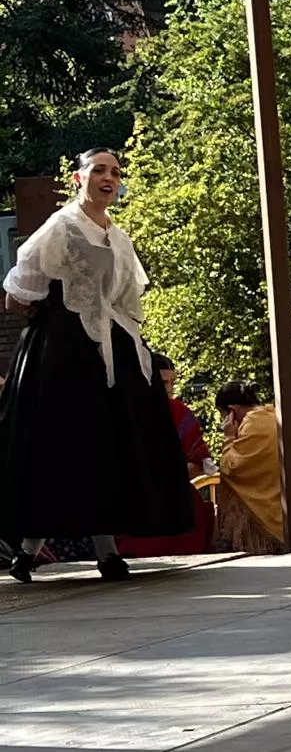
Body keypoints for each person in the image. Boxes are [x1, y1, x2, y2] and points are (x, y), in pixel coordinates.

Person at [0, 149, 192, 583]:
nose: (109, 178)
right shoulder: (62, 226)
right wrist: (38, 309)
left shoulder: (118, 235)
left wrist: (133, 345)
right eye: (99, 170)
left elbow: (127, 297)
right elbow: (22, 284)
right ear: (78, 177)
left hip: (113, 348)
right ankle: (28, 549)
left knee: (110, 444)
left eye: (115, 172)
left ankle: (106, 549)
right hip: (65, 351)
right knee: (61, 444)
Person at [116, 353, 217, 557]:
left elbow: (198, 462)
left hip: (176, 499)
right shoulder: (120, 411)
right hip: (133, 501)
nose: (169, 389)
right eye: (163, 382)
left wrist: (164, 475)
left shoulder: (179, 412)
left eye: (173, 382)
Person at [213, 383, 286, 555]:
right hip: (278, 511)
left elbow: (231, 467)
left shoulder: (253, 423)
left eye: (223, 415)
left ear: (232, 411)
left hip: (256, 516)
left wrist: (229, 437)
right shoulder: (273, 414)